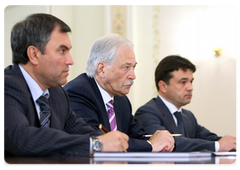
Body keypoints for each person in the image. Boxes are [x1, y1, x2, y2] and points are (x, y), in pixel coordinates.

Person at [2, 13, 129, 157]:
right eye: (62, 51)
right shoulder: (5, 86)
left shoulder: (57, 93)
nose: (70, 61)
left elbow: (84, 131)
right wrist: (95, 145)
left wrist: (113, 141)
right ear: (34, 54)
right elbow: (20, 138)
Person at [64, 33, 175, 152]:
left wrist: (160, 140)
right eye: (126, 67)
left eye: (133, 67)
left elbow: (137, 136)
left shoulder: (121, 100)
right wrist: (150, 145)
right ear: (102, 69)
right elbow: (98, 141)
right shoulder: (78, 92)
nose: (133, 76)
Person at [135, 55, 237, 152]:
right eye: (183, 82)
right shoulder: (147, 113)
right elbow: (167, 143)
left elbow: (210, 138)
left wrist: (233, 144)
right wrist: (217, 146)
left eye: (191, 81)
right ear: (163, 86)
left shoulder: (188, 116)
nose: (190, 88)